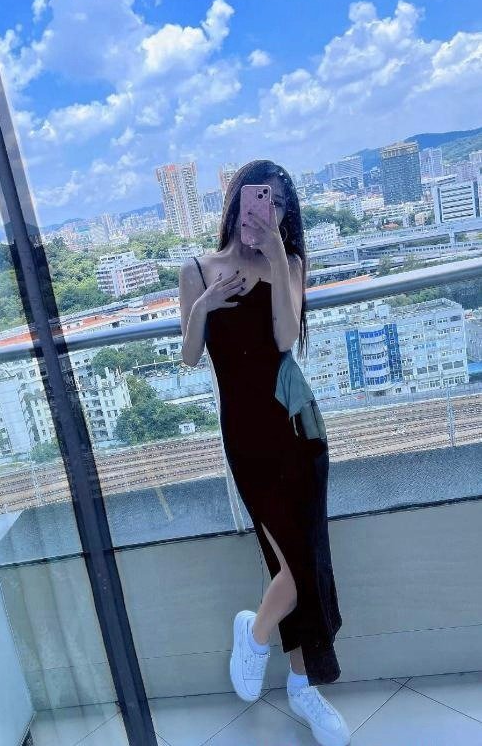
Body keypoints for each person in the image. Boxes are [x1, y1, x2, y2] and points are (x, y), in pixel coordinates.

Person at [178, 160, 350, 746]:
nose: (264, 211)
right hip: (247, 435)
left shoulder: (290, 262)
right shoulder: (198, 269)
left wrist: (276, 256)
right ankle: (261, 642)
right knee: (296, 567)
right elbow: (190, 357)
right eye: (258, 199)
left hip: (296, 428)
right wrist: (203, 306)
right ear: (236, 202)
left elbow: (283, 339)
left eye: (277, 203)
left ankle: (287, 670)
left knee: (304, 564)